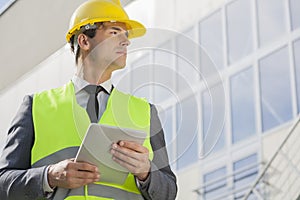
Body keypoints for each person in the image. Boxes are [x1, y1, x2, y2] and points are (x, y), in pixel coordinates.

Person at [0, 0, 177, 199]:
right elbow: (4, 183)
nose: (126, 41)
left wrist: (146, 172)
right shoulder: (35, 107)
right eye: (115, 32)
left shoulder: (146, 111)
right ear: (84, 41)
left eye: (126, 35)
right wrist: (48, 176)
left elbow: (169, 192)